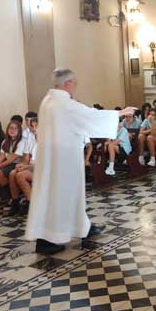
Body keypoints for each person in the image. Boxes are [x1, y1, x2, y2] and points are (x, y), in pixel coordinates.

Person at [25, 69, 123, 255]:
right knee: (63, 197)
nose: (75, 85)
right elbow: (90, 116)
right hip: (63, 162)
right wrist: (118, 114)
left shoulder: (47, 101)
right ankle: (50, 240)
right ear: (67, 83)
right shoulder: (64, 104)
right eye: (74, 82)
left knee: (56, 197)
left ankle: (83, 228)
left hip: (51, 161)